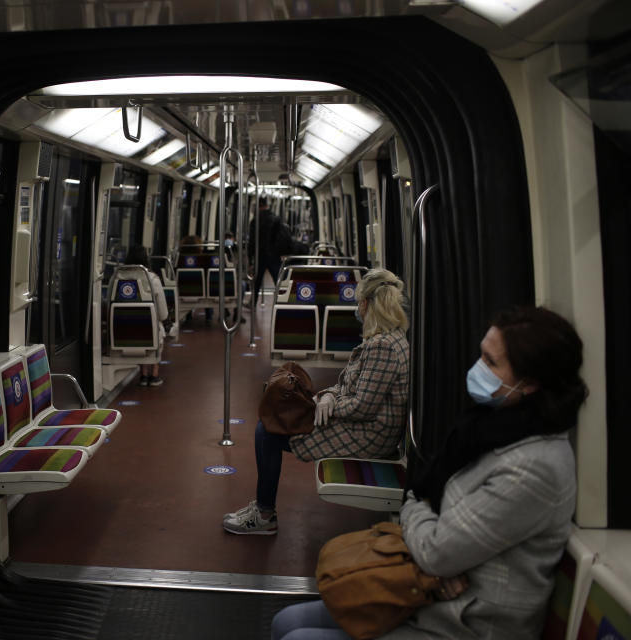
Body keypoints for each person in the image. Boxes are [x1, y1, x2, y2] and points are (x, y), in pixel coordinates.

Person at [272, 306, 586, 639]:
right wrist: (428, 532)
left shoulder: (533, 468)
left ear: (530, 383)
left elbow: (434, 543)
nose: (479, 369)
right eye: (481, 356)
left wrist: (425, 528)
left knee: (298, 637)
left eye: (492, 363)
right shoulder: (490, 427)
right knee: (286, 622)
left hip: (466, 623)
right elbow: (427, 506)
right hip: (427, 592)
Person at [223, 268, 409, 535]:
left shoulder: (382, 346)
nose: (357, 309)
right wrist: (329, 395)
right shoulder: (390, 339)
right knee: (272, 426)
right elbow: (349, 386)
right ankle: (263, 509)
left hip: (370, 434)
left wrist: (323, 407)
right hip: (368, 425)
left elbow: (363, 407)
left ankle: (264, 514)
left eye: (359, 303)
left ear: (367, 305)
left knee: (268, 433)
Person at [124, 245, 169, 387]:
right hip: (147, 327)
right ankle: (154, 374)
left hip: (123, 326)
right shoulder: (152, 279)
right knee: (157, 329)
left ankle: (143, 374)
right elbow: (162, 312)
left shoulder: (117, 277)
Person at [248, 197, 292, 291]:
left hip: (260, 254)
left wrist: (250, 257)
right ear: (267, 206)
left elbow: (252, 241)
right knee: (278, 279)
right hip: (275, 255)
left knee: (257, 281)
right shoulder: (277, 219)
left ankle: (253, 301)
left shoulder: (255, 221)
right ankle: (280, 301)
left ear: (258, 207)